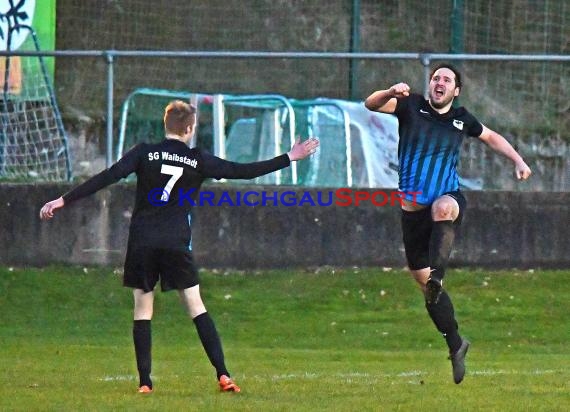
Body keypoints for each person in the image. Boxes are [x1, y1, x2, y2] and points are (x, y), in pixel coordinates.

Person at [39, 100, 319, 394]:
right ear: (189, 129)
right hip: (175, 240)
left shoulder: (144, 152)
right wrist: (290, 156)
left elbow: (107, 176)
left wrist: (63, 200)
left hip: (143, 239)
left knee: (143, 308)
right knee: (196, 306)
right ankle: (223, 375)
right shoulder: (198, 160)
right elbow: (242, 171)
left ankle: (145, 382)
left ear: (166, 125)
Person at [364, 63, 531, 384]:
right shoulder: (409, 105)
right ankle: (455, 343)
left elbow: (492, 137)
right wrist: (389, 91)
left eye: (447, 80)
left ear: (456, 91)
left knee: (443, 208)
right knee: (423, 283)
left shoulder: (462, 119)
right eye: (435, 78)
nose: (439, 83)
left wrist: (518, 159)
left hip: (448, 198)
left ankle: (439, 275)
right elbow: (370, 104)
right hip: (412, 213)